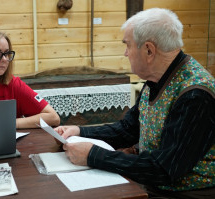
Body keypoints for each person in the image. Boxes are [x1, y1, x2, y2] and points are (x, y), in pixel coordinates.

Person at [54, 8, 215, 198]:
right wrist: (80, 132)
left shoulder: (195, 94)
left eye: (128, 45)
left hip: (186, 193)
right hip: (156, 185)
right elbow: (128, 129)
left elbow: (164, 169)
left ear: (149, 50)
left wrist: (93, 156)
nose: (125, 53)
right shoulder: (158, 78)